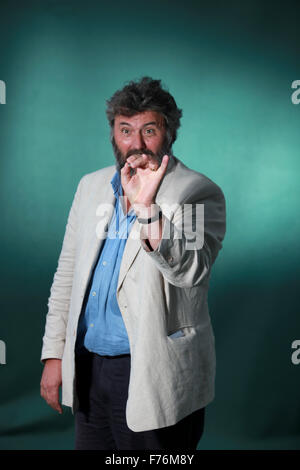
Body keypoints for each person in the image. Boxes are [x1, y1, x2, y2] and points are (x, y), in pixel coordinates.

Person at [40, 76, 226, 450]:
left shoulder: (194, 191)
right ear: (113, 133)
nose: (136, 144)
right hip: (89, 367)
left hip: (152, 369)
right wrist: (54, 354)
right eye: (125, 130)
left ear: (168, 133)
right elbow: (67, 275)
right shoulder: (90, 186)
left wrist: (146, 209)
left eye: (149, 130)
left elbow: (190, 271)